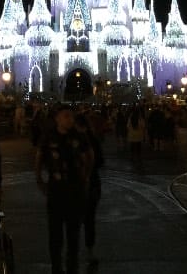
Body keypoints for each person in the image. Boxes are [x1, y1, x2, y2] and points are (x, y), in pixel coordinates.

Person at [35, 104, 92, 274]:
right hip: (56, 190)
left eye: (71, 116)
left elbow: (89, 156)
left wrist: (85, 176)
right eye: (66, 116)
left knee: (73, 233)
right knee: (55, 234)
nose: (70, 119)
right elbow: (39, 157)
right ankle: (56, 267)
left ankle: (72, 267)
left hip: (75, 190)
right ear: (57, 118)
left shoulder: (79, 136)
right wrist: (39, 179)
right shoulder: (49, 137)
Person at [74, 112, 104, 266]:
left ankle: (74, 251)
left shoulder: (73, 140)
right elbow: (100, 161)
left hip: (78, 185)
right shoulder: (92, 139)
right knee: (89, 219)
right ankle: (89, 250)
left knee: (75, 220)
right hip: (92, 184)